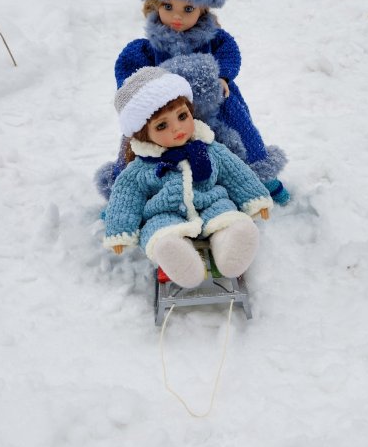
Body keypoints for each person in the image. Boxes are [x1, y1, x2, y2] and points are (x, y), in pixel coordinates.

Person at [96, 0, 288, 204]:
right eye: (168, 7)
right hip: (166, 108)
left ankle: (258, 171)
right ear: (156, 5)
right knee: (136, 132)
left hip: (212, 99)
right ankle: (123, 190)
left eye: (188, 9)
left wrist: (223, 76)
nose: (177, 17)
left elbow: (229, 54)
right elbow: (130, 76)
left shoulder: (215, 39)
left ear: (202, 8)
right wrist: (141, 96)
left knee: (238, 123)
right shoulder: (144, 48)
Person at [104, 67, 273, 288]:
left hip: (212, 203)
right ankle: (177, 257)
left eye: (182, 116)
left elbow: (236, 174)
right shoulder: (141, 168)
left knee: (229, 218)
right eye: (162, 125)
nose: (178, 129)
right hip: (166, 214)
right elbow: (125, 198)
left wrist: (254, 198)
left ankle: (232, 244)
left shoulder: (210, 149)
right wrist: (120, 229)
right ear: (144, 133)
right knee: (160, 234)